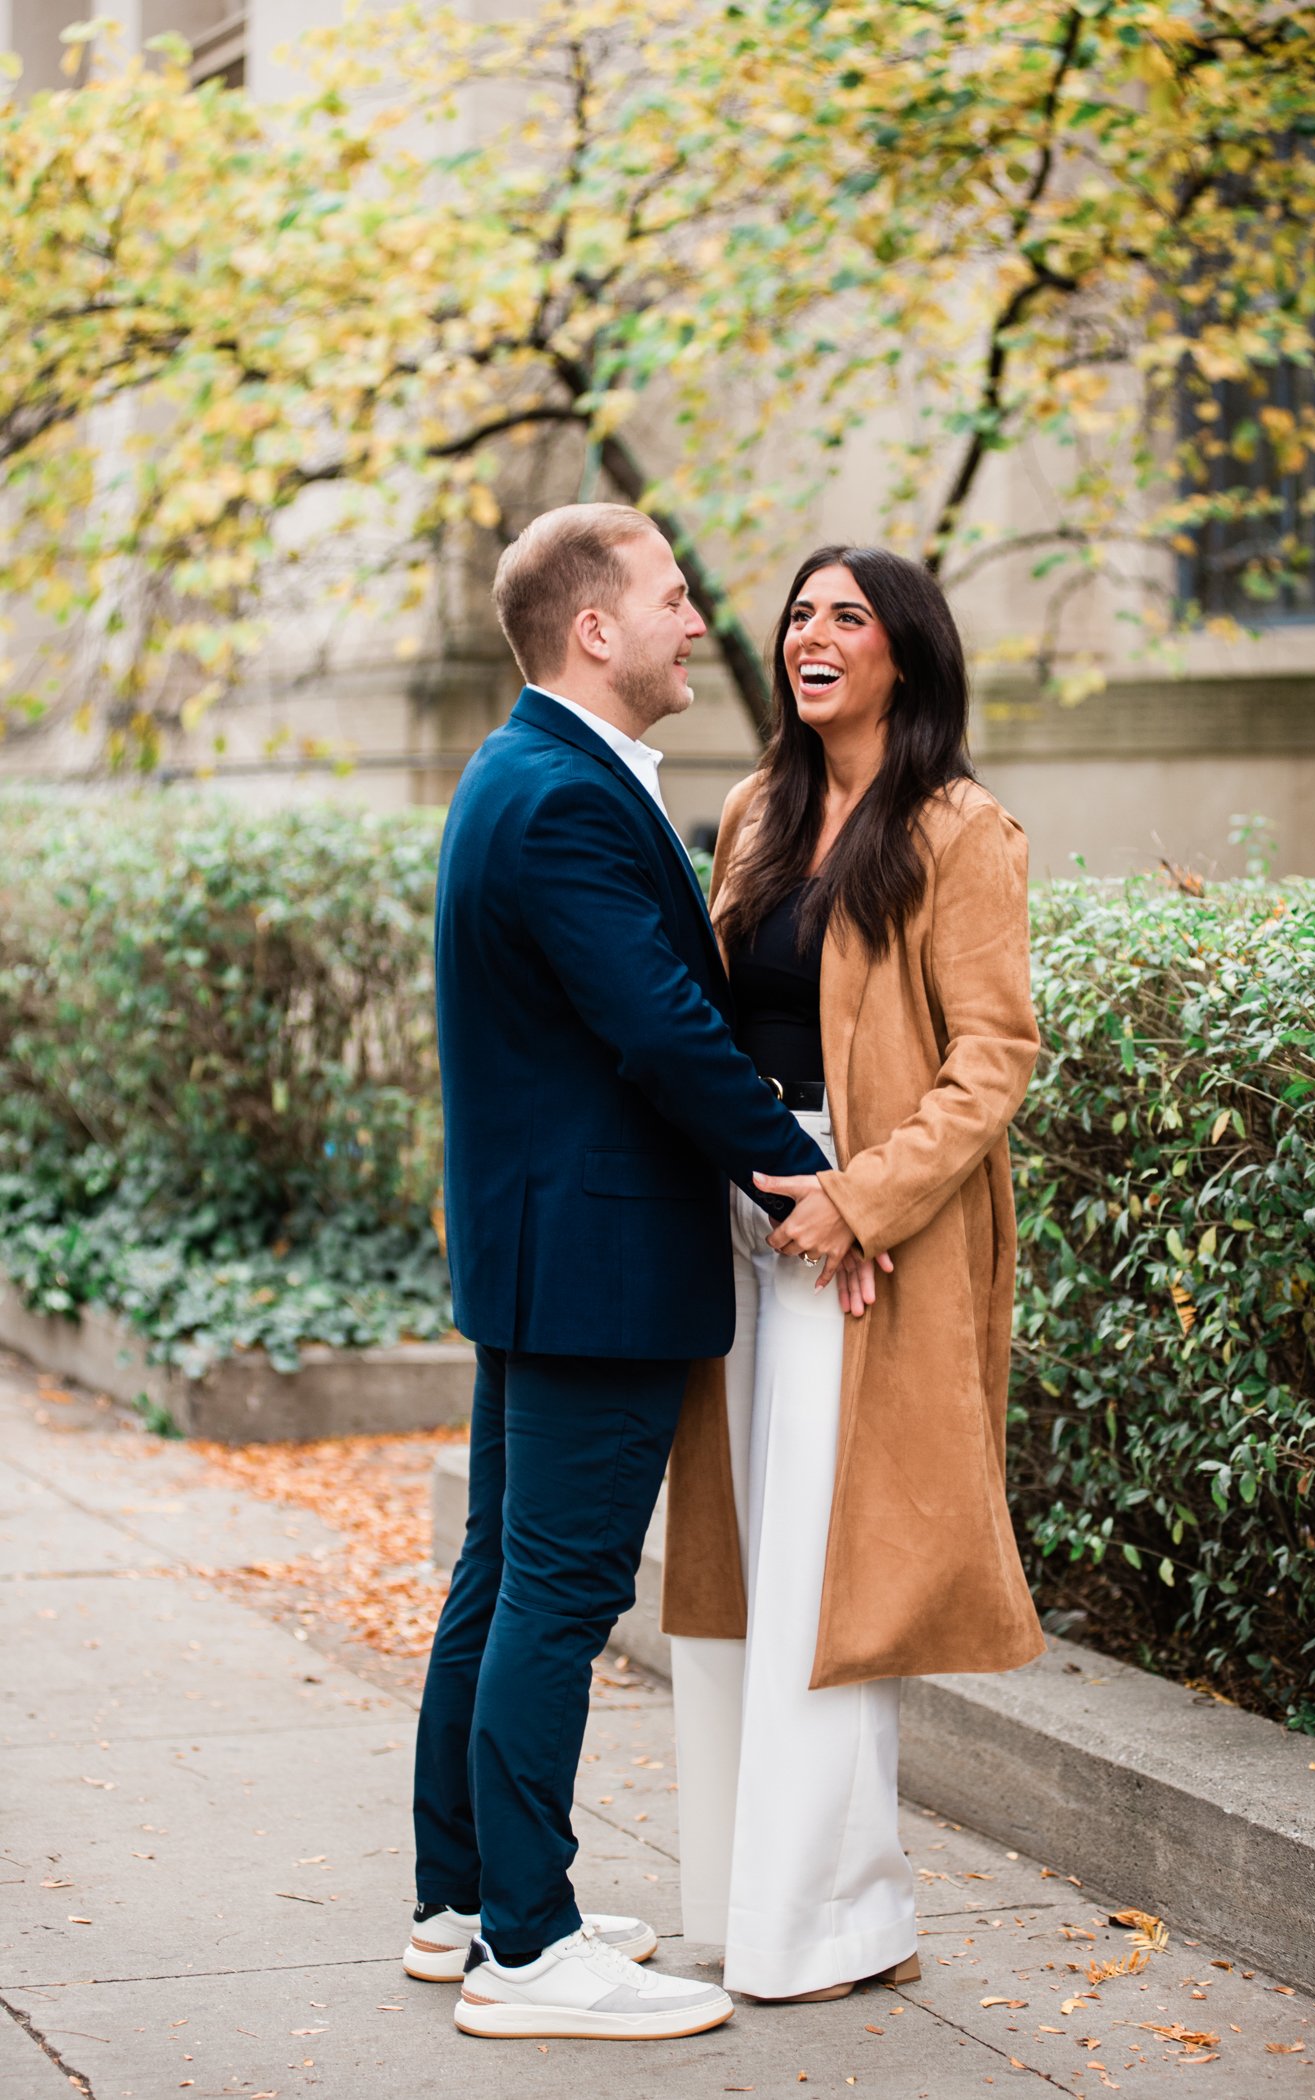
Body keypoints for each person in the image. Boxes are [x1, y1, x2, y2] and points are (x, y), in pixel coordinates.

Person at [406, 502, 848, 2043]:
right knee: (559, 1591)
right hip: (591, 1256)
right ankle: (527, 1954)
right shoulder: (565, 799)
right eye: (669, 596)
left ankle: (462, 1901)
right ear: (594, 628)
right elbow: (662, 1025)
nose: (693, 619)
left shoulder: (523, 772)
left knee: (503, 1576)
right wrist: (807, 1176)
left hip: (542, 1245)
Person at [663, 545, 1046, 2003]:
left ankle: (819, 1925)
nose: (812, 635)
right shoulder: (758, 809)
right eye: (800, 615)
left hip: (864, 1241)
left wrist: (862, 1203)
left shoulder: (958, 828)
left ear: (905, 655)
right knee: (749, 1566)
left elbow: (991, 1059)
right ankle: (750, 1904)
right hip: (740, 1215)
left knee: (836, 1574)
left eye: (848, 617)